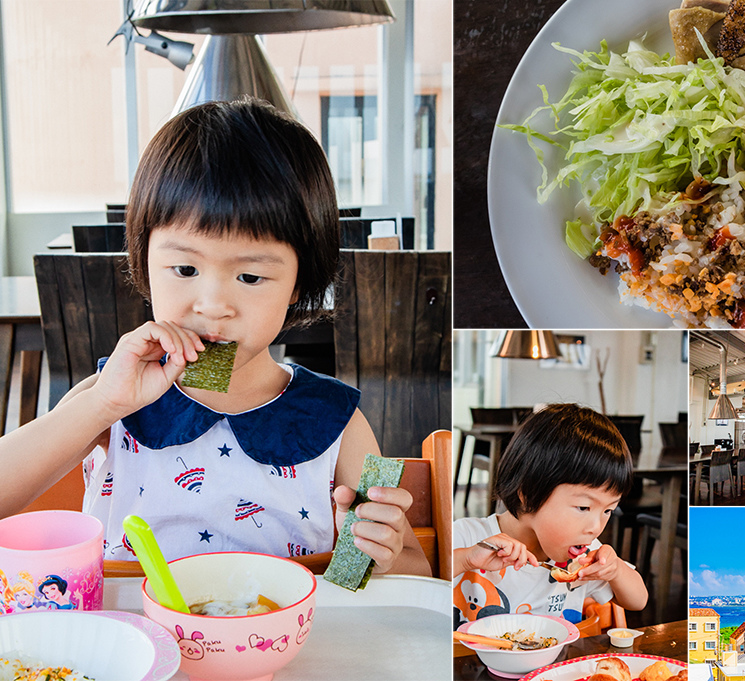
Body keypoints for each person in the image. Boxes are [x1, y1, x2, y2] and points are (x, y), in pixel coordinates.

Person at [0, 99, 428, 577]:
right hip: (142, 643)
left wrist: (372, 553)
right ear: (144, 263)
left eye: (248, 277)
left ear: (300, 284)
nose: (211, 304)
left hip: (282, 647)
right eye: (184, 268)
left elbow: (408, 567)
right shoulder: (109, 401)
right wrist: (102, 406)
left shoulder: (339, 422)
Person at [452, 404, 648, 630]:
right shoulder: (469, 538)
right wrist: (467, 559)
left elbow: (638, 601)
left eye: (608, 511)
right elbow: (425, 582)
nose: (595, 527)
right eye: (584, 507)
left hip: (558, 666)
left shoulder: (583, 557)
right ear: (527, 494)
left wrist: (615, 570)